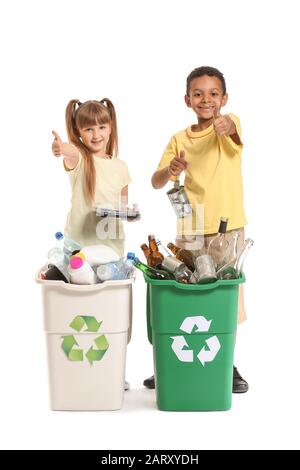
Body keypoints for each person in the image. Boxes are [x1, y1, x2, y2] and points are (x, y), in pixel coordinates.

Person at [144, 66, 249, 393]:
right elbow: (157, 181)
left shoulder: (228, 125)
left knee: (221, 294)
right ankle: (173, 358)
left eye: (213, 94)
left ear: (224, 98)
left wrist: (226, 124)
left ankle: (225, 363)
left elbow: (233, 131)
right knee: (183, 291)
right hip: (189, 228)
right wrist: (170, 168)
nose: (206, 99)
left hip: (226, 227)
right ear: (187, 99)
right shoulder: (179, 139)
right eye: (199, 94)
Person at [51, 98, 132, 390]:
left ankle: (111, 373)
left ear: (111, 127)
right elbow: (68, 153)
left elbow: (124, 205)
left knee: (113, 317)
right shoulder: (80, 159)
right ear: (78, 131)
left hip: (112, 251)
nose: (96, 134)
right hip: (79, 248)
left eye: (102, 126)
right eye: (88, 129)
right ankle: (80, 374)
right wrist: (62, 148)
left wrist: (128, 213)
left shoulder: (121, 167)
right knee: (81, 314)